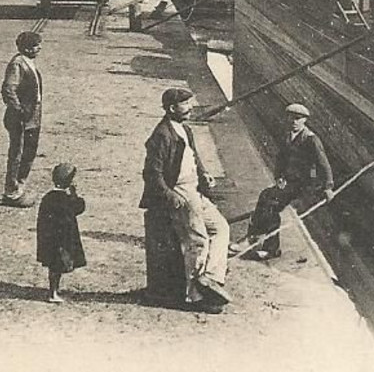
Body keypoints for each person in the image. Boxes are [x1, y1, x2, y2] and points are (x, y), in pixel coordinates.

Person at [141, 87, 230, 311]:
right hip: (180, 191)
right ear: (172, 108)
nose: (190, 107)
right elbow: (152, 173)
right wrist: (169, 195)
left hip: (194, 188)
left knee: (221, 227)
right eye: (185, 104)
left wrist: (204, 173)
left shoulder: (185, 130)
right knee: (197, 240)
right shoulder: (161, 135)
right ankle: (195, 296)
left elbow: (193, 157)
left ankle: (209, 278)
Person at [232, 102, 333, 261]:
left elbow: (323, 164)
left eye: (298, 118)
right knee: (265, 196)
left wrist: (328, 187)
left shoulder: (311, 139)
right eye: (291, 118)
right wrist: (278, 176)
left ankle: (268, 247)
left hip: (304, 184)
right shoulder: (288, 135)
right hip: (288, 181)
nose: (294, 121)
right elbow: (281, 158)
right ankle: (253, 237)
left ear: (305, 120)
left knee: (272, 204)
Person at [0, 31, 44, 205]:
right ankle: (11, 192)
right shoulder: (17, 64)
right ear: (25, 48)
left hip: (32, 115)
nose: (39, 48)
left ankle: (20, 187)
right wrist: (18, 110)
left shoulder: (28, 62)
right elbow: (8, 90)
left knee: (29, 152)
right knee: (17, 154)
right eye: (35, 45)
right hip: (21, 117)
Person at [36, 163, 87, 303]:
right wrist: (75, 195)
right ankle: (53, 293)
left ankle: (54, 291)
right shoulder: (65, 199)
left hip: (50, 239)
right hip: (61, 241)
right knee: (57, 268)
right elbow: (79, 208)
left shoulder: (48, 197)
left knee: (54, 267)